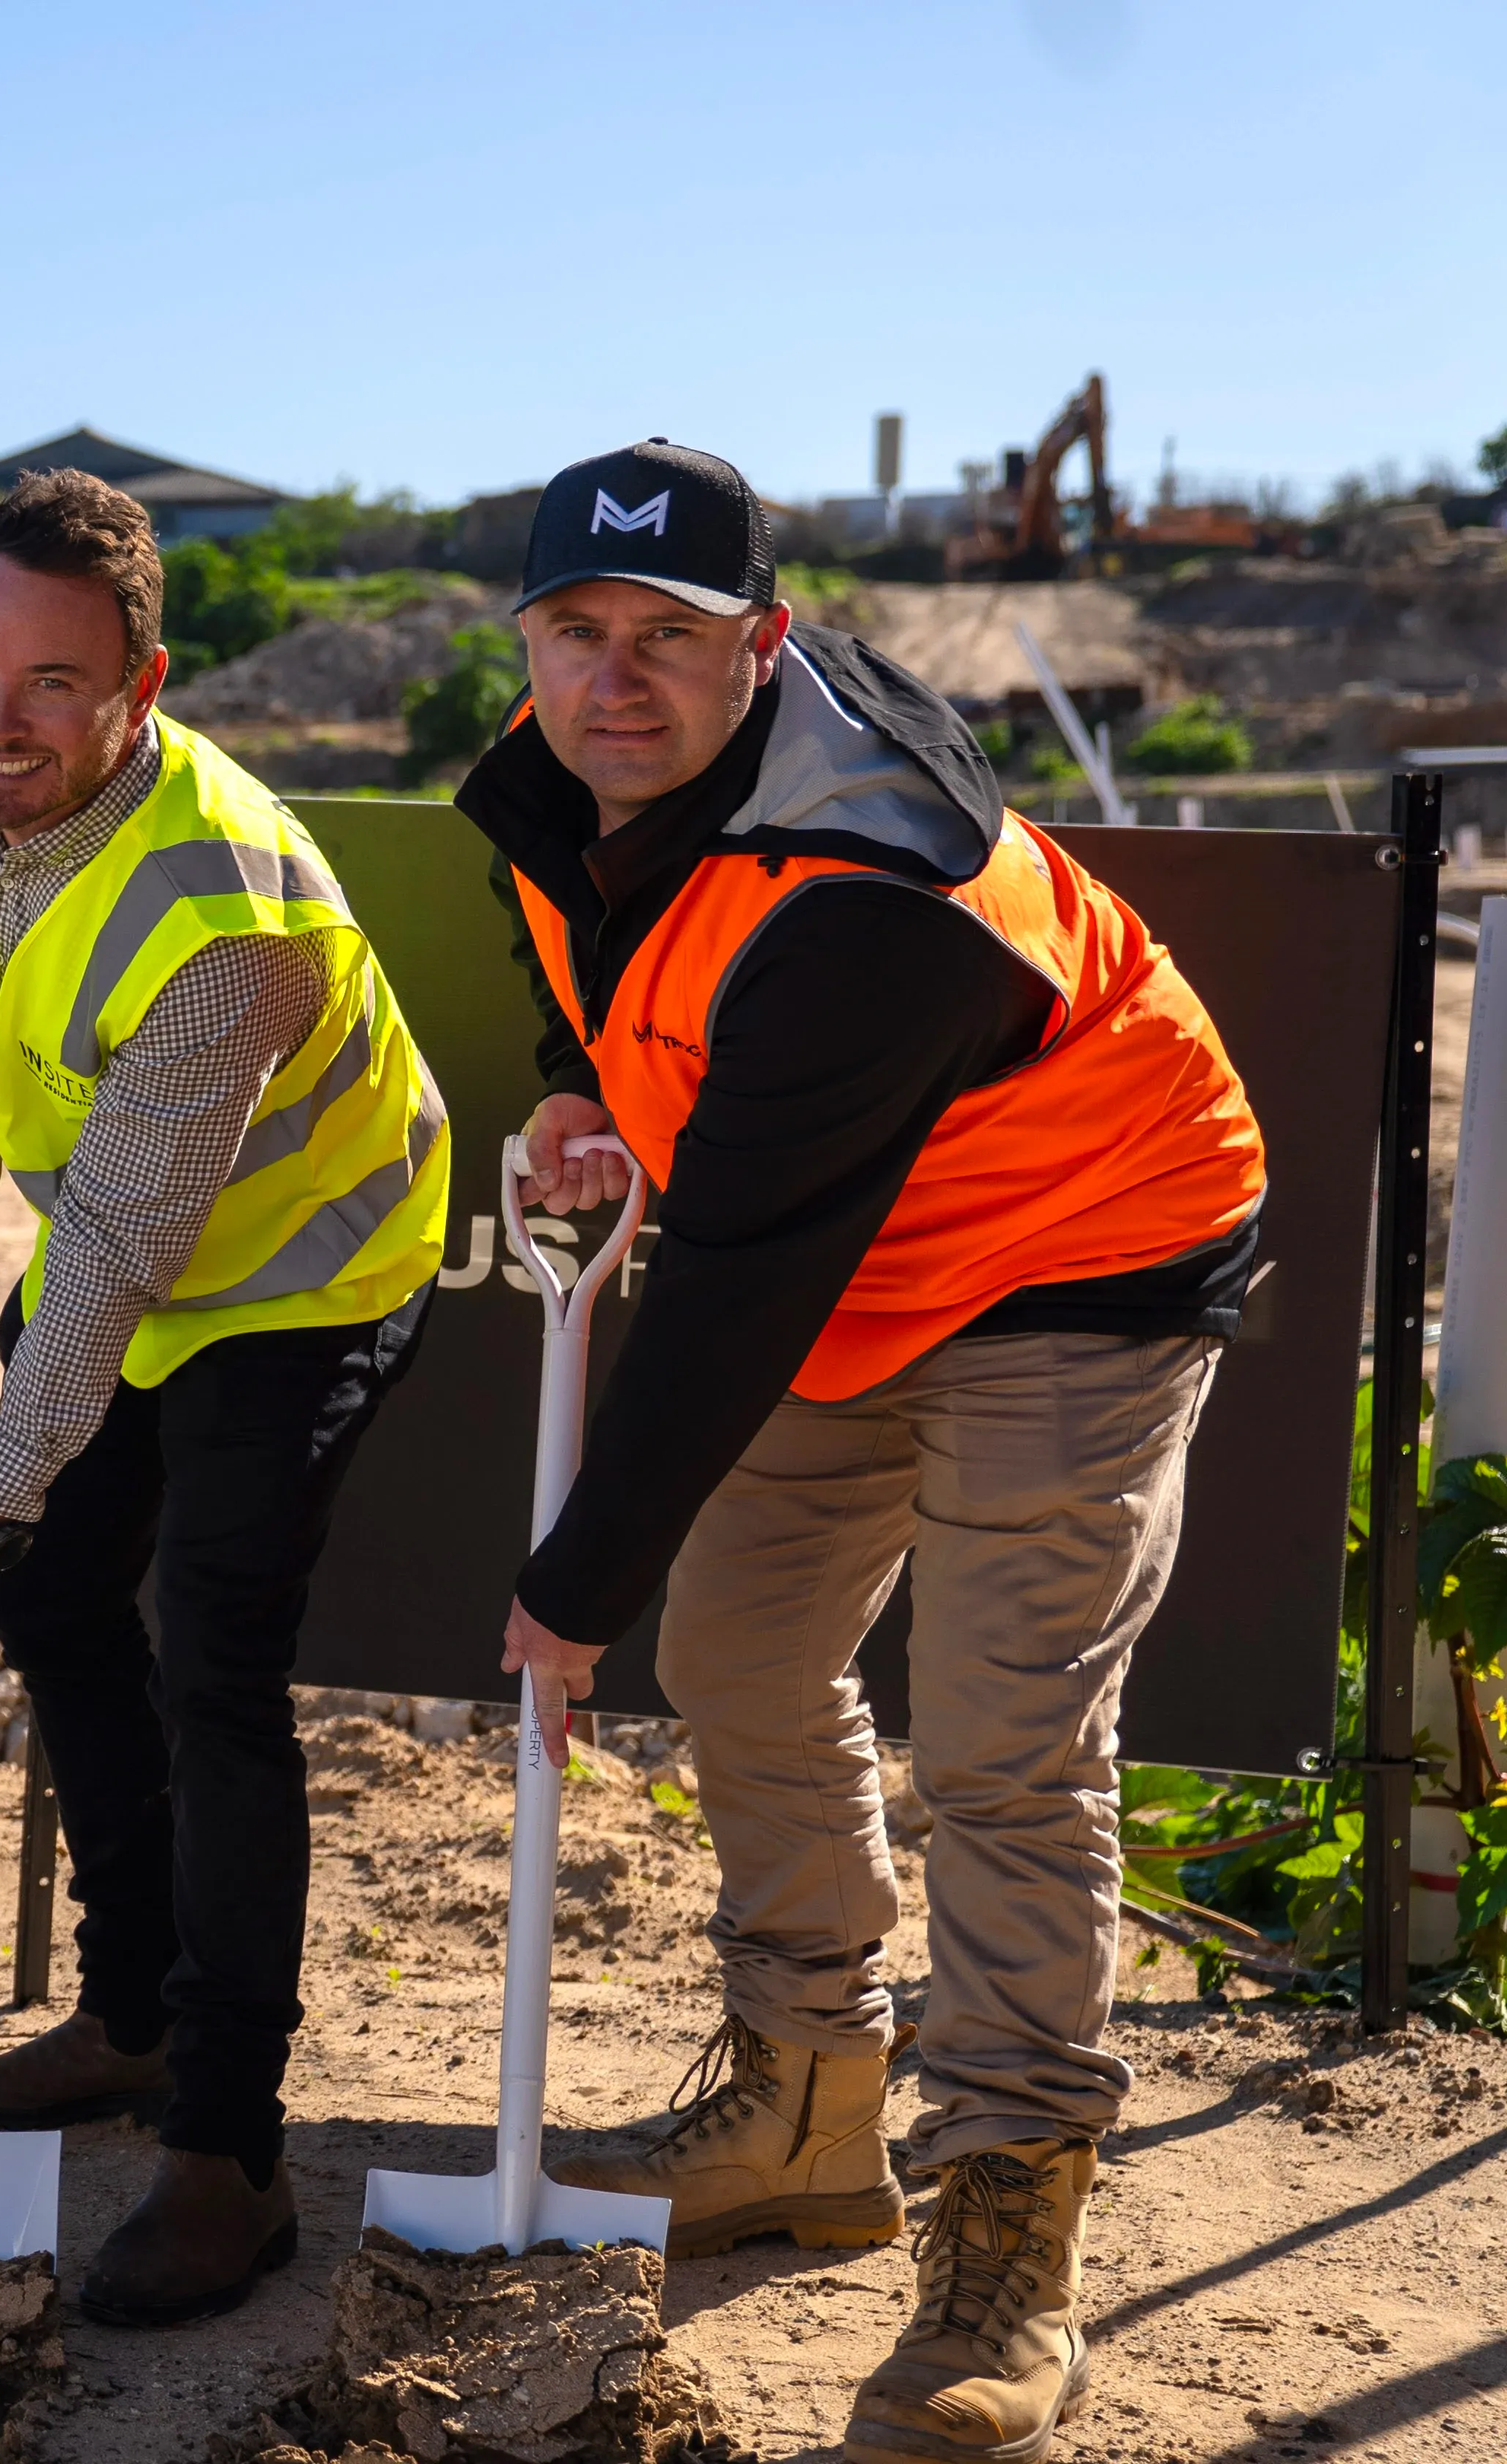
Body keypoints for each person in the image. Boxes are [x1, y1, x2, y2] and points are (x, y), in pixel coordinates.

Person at [468, 440, 1263, 2464]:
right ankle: (811, 2106)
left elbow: (734, 1282)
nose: (614, 680)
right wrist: (580, 1082)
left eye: (669, 637)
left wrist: (569, 1586)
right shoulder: (560, 774)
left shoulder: (873, 888)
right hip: (865, 1234)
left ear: (767, 643)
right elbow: (599, 954)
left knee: (1003, 1740)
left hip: (1083, 1244)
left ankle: (1007, 2223)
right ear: (528, 639)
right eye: (576, 629)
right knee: (740, 1650)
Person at [0, 470, 451, 2328]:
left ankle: (227, 2148)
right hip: (131, 1233)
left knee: (212, 1653)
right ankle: (129, 2010)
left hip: (304, 1264)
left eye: (54, 683)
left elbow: (115, 1254)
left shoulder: (224, 910)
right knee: (58, 1592)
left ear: (144, 685)